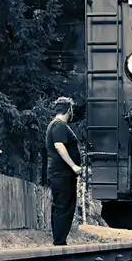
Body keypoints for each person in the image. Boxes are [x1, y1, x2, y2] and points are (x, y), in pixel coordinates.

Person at [46, 97, 82, 246]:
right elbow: (59, 145)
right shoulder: (59, 125)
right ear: (69, 110)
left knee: (62, 206)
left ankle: (59, 241)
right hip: (62, 174)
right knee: (63, 207)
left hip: (60, 174)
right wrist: (73, 165)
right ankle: (59, 242)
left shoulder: (54, 125)